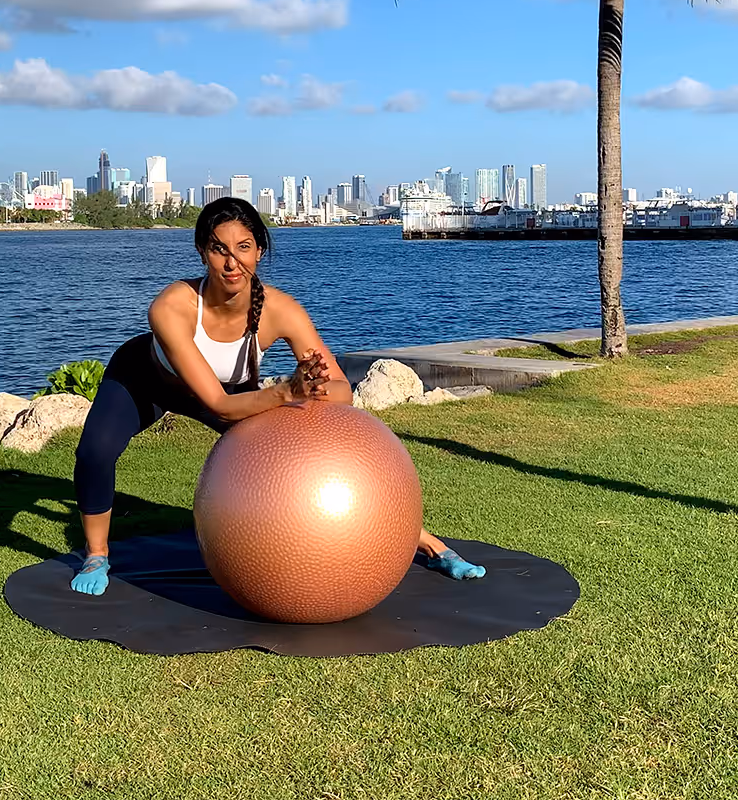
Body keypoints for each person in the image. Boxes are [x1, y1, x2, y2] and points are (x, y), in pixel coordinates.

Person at [69, 197, 486, 596]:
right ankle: (98, 556)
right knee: (95, 452)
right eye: (219, 249)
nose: (232, 263)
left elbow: (343, 391)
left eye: (244, 248)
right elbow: (217, 406)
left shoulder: (282, 310)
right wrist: (286, 391)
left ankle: (429, 546)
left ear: (260, 251)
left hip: (231, 392)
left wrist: (312, 390)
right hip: (147, 378)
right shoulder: (172, 305)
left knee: (297, 450)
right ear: (201, 252)